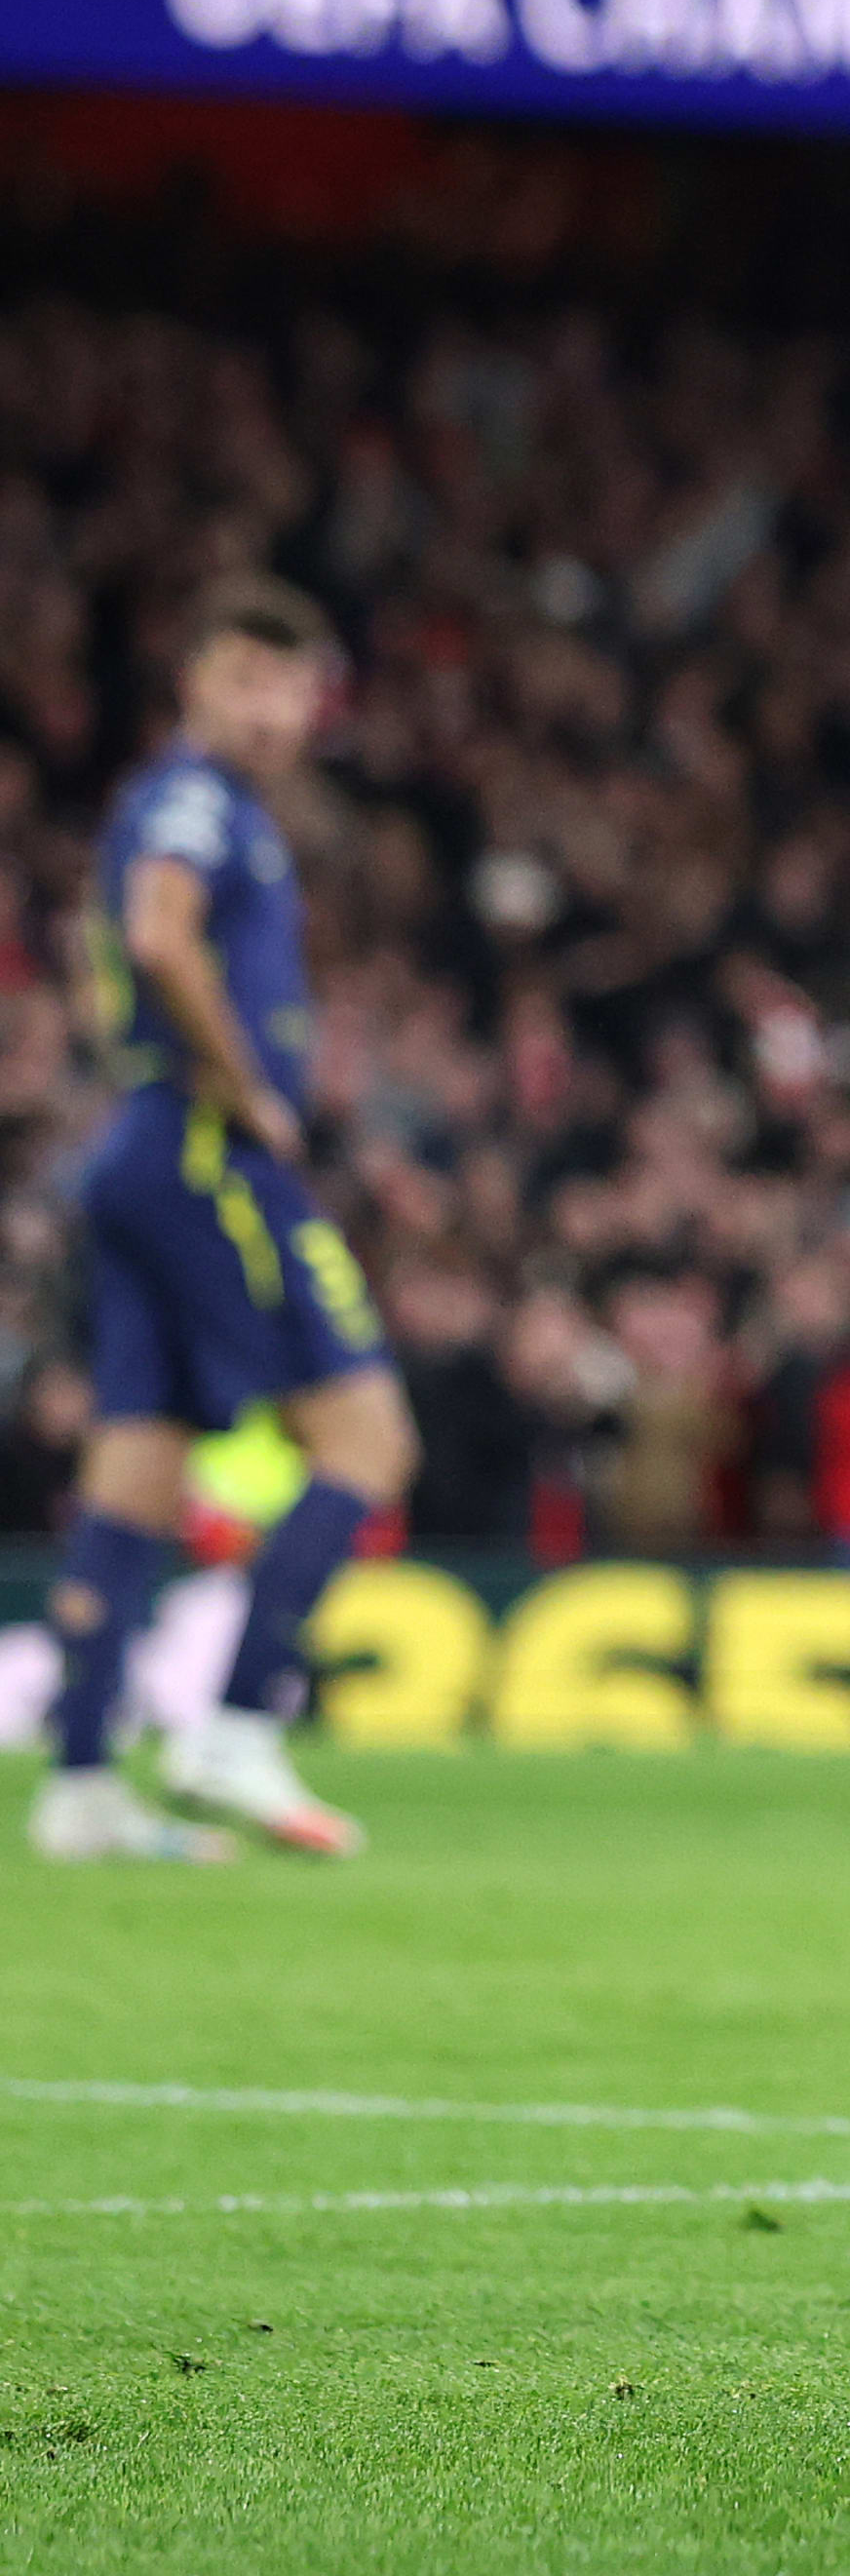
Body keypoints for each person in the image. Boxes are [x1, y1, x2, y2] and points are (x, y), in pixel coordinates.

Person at [32, 576, 416, 1863]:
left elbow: (102, 953)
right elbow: (158, 936)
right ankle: (237, 1727)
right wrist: (244, 1082)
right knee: (369, 1438)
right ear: (194, 680)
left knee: (135, 1469)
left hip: (139, 1147)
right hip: (206, 1150)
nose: (269, 709)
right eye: (246, 677)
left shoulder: (173, 805)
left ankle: (83, 1784)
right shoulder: (199, 802)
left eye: (291, 686)